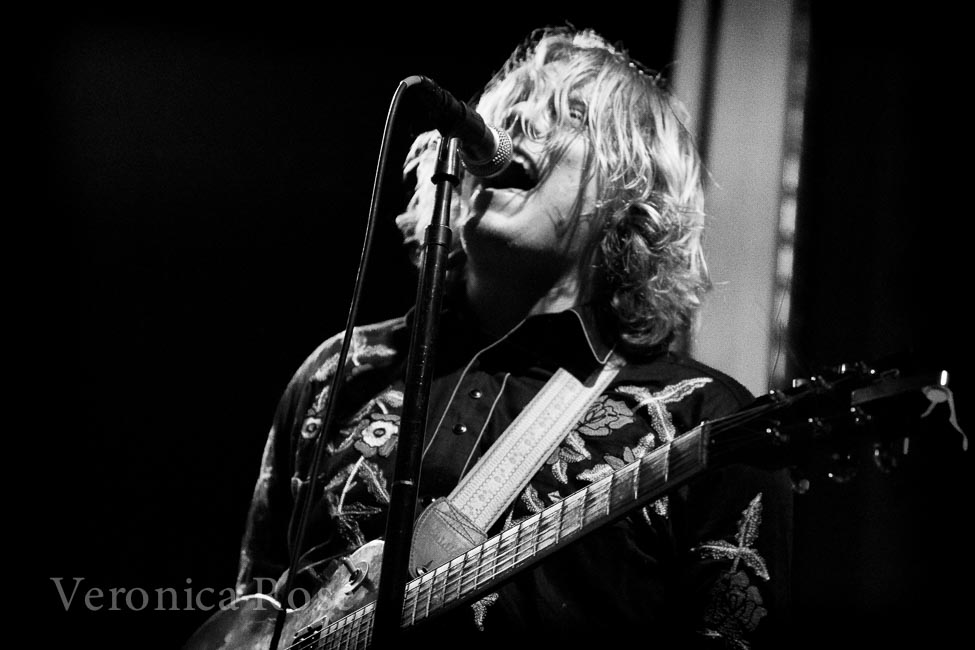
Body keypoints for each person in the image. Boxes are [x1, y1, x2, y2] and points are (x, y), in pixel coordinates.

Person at [233, 26, 793, 649]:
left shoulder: (703, 422)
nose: (522, 115)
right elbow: (253, 615)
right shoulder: (341, 372)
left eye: (571, 114)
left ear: (630, 194)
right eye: (511, 108)